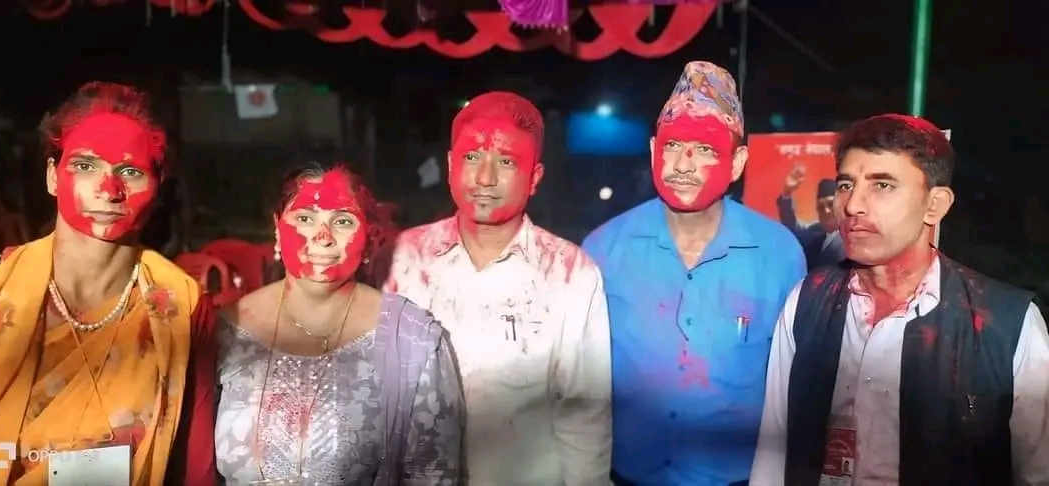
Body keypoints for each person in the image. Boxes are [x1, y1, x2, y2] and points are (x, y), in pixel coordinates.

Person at [749, 115, 1049, 485]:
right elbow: (773, 457)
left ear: (934, 205)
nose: (853, 205)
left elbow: (1038, 473)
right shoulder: (807, 302)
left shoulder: (1008, 325)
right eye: (846, 184)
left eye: (883, 185)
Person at [0, 81, 217, 485]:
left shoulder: (182, 305)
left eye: (130, 172)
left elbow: (194, 471)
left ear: (158, 187)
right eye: (86, 166)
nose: (109, 190)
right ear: (52, 176)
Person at [582, 61, 806, 485]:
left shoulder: (780, 255)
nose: (684, 164)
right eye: (673, 145)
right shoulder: (601, 250)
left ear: (737, 162)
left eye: (705, 149)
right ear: (654, 150)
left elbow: (795, 388)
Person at [386, 91, 612, 485]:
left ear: (535, 178)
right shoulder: (405, 257)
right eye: (472, 157)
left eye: (506, 161)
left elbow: (584, 417)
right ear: (451, 165)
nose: (484, 178)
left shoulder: (570, 272)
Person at [215, 162, 463, 485]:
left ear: (369, 236)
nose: (323, 237)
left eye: (343, 221)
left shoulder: (413, 342)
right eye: (305, 219)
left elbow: (433, 475)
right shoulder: (224, 332)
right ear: (277, 227)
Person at [776, 164, 843, 268]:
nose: (826, 210)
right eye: (820, 207)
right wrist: (787, 192)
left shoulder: (853, 237)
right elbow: (792, 226)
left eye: (830, 204)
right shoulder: (814, 236)